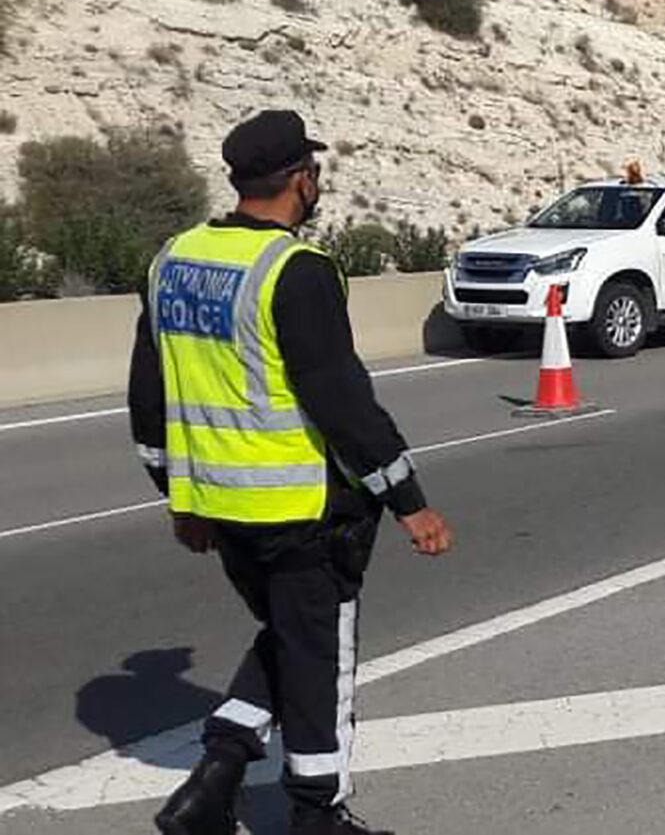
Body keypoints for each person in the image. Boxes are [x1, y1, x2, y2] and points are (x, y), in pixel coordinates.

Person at [136, 110, 453, 835]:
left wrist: (178, 497)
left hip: (221, 509)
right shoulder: (294, 270)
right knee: (318, 666)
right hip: (302, 512)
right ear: (301, 180)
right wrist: (409, 501)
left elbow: (148, 400)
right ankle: (317, 815)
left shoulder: (174, 258)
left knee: (290, 635)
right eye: (315, 174)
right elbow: (341, 402)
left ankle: (214, 778)